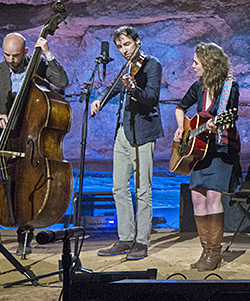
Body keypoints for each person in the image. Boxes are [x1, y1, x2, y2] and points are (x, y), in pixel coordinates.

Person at [0, 32, 69, 258]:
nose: (10, 60)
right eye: (6, 55)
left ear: (25, 52)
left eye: (15, 55)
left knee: (25, 183)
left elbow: (62, 82)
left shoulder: (37, 66)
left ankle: (25, 236)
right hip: (2, 136)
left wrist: (49, 54)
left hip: (30, 136)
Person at [91, 27, 164, 261]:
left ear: (137, 42)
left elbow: (152, 97)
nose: (123, 50)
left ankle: (141, 241)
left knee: (143, 189)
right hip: (124, 132)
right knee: (119, 188)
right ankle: (125, 237)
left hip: (144, 132)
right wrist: (99, 101)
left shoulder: (152, 65)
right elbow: (114, 88)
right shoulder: (126, 68)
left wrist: (135, 89)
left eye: (127, 45)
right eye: (120, 47)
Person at [174, 42, 240, 271]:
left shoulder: (229, 87)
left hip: (222, 149)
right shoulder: (199, 86)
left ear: (209, 64)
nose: (192, 66)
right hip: (200, 150)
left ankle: (214, 252)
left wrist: (215, 126)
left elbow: (230, 117)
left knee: (212, 195)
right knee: (196, 196)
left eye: (196, 62)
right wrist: (182, 128)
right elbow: (180, 107)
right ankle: (205, 250)